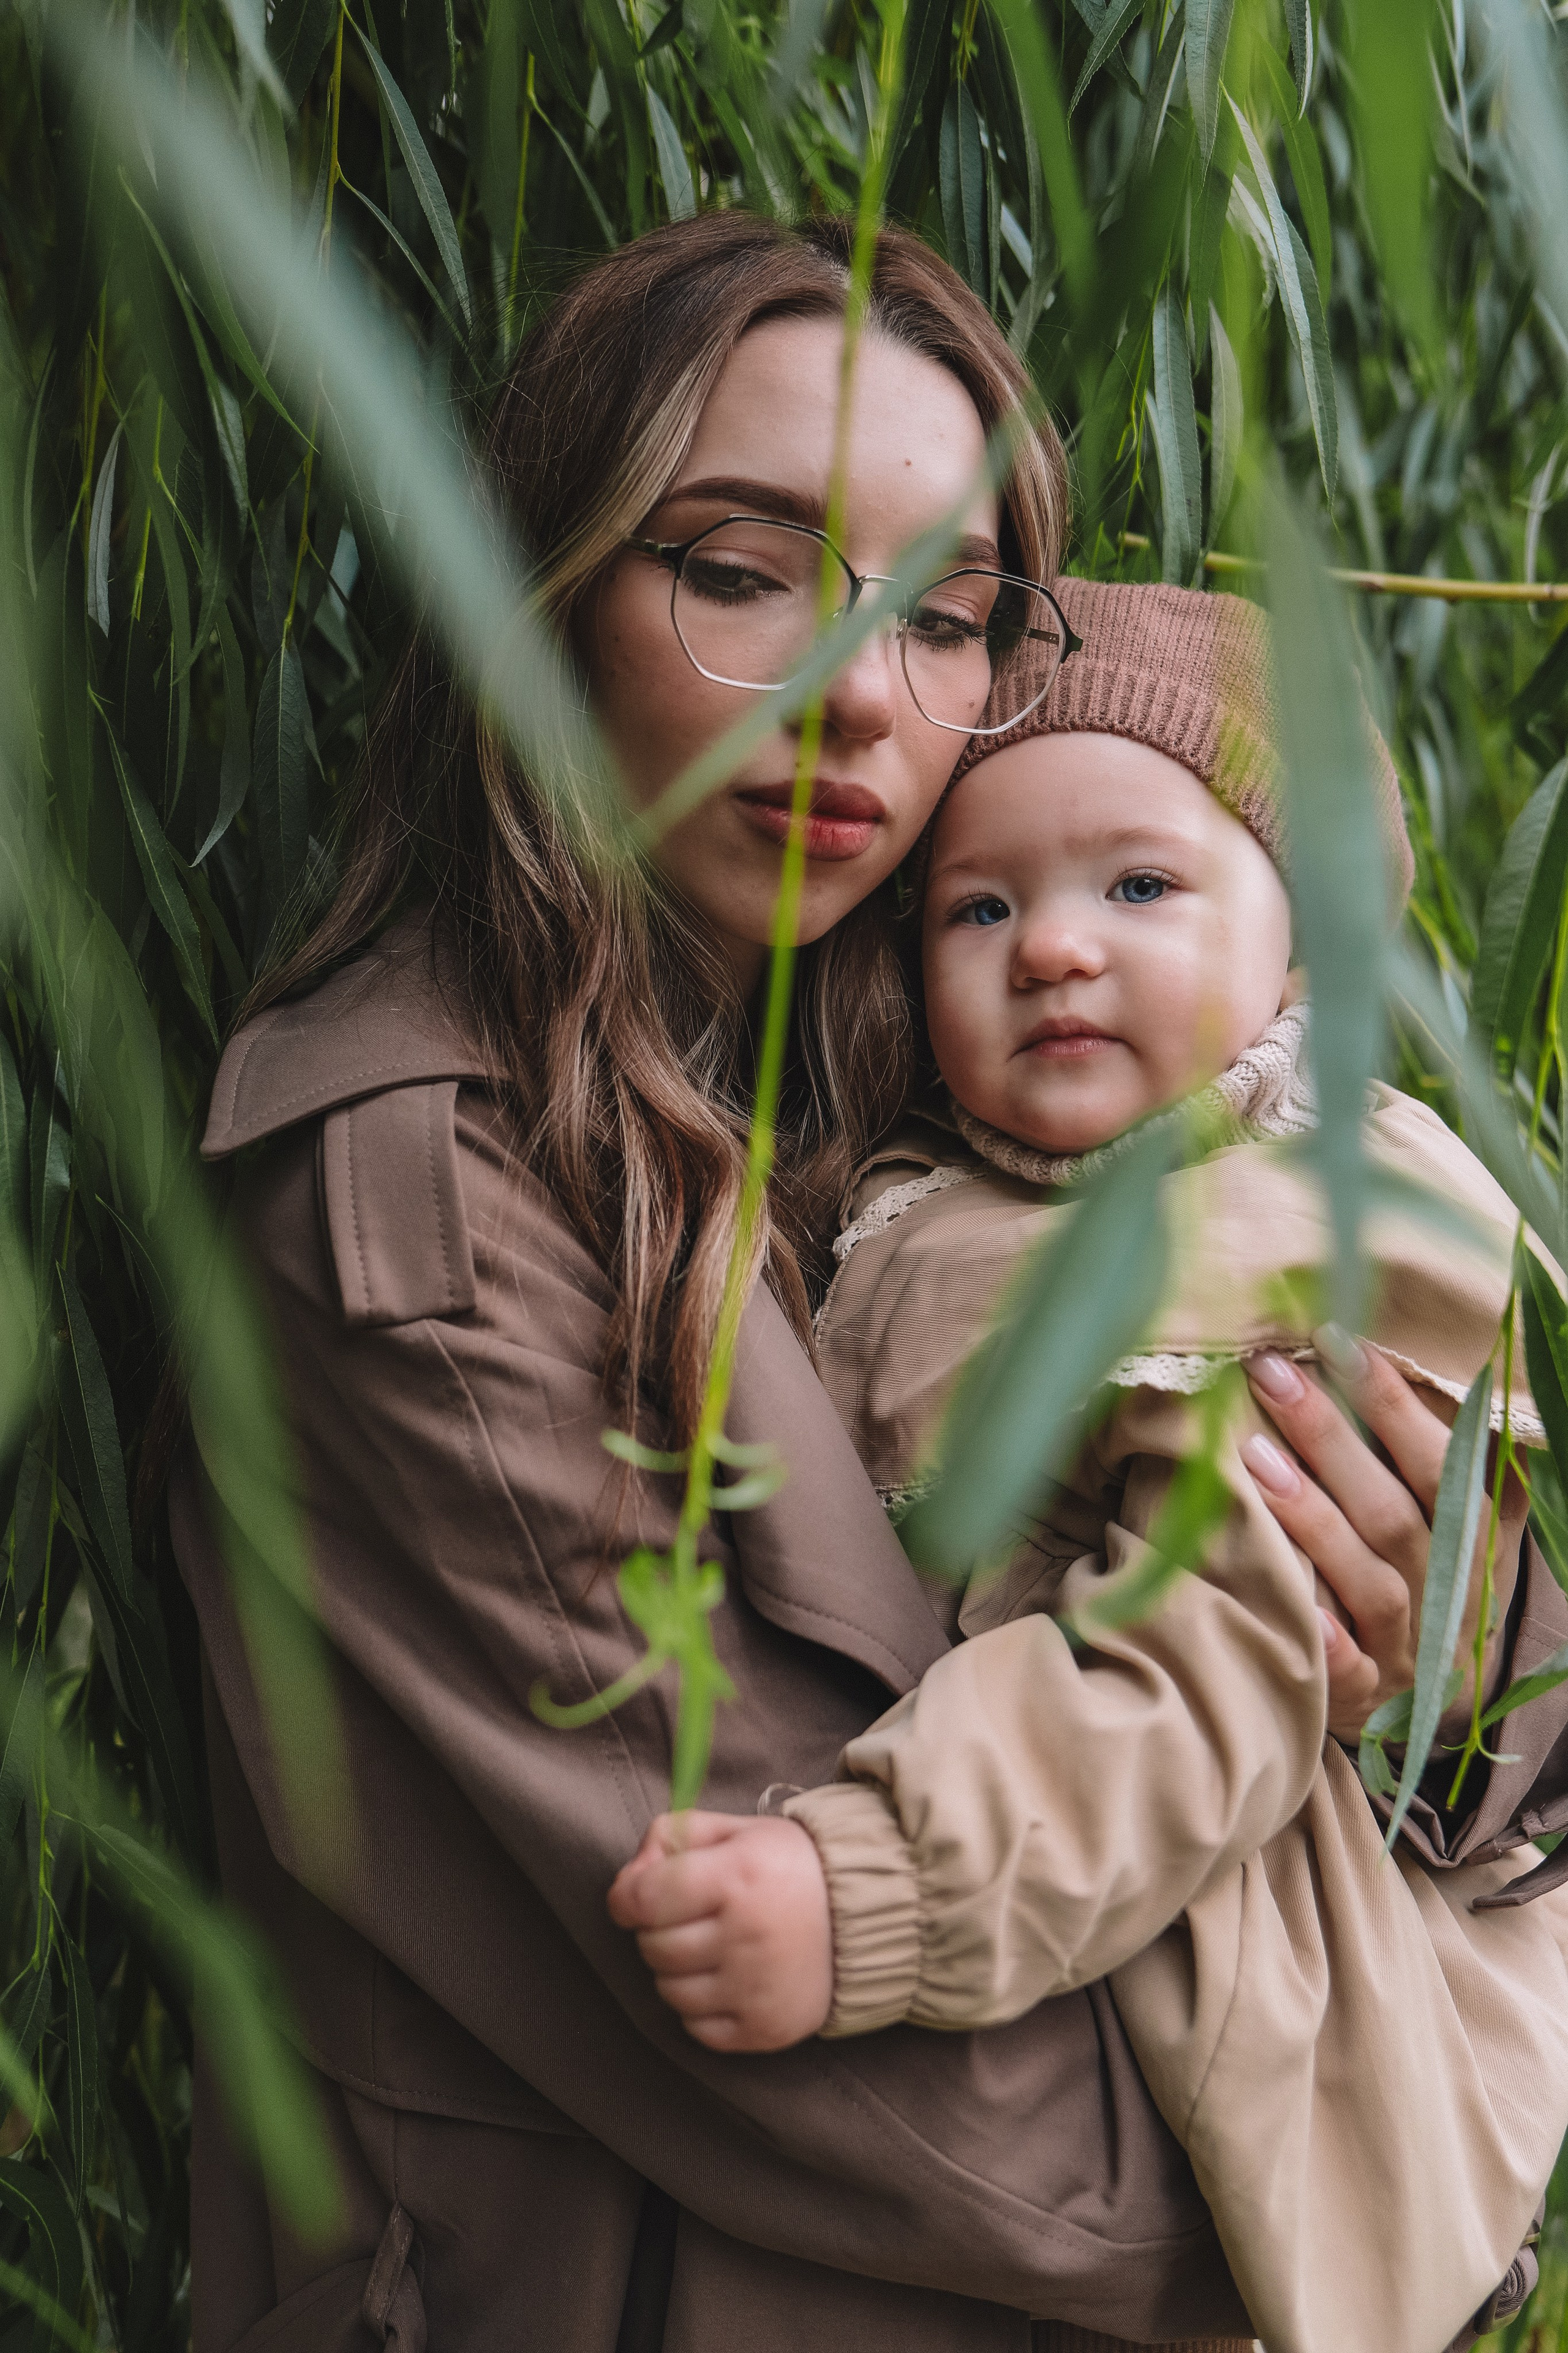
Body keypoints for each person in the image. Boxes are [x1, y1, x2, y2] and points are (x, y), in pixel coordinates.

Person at [170, 218, 1568, 2353]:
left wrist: (1447, 1691)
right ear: (541, 585)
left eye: (943, 616)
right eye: (743, 573)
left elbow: (1441, 1650)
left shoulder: (976, 1094)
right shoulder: (412, 1195)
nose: (855, 696)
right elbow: (824, 2050)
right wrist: (1397, 2188)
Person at [609, 576, 1568, 2353]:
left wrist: (873, 1893)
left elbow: (1200, 1677)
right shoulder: (945, 1198)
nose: (1053, 946)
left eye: (1140, 887)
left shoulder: (1276, 1240)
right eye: (980, 906)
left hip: (1210, 1995)